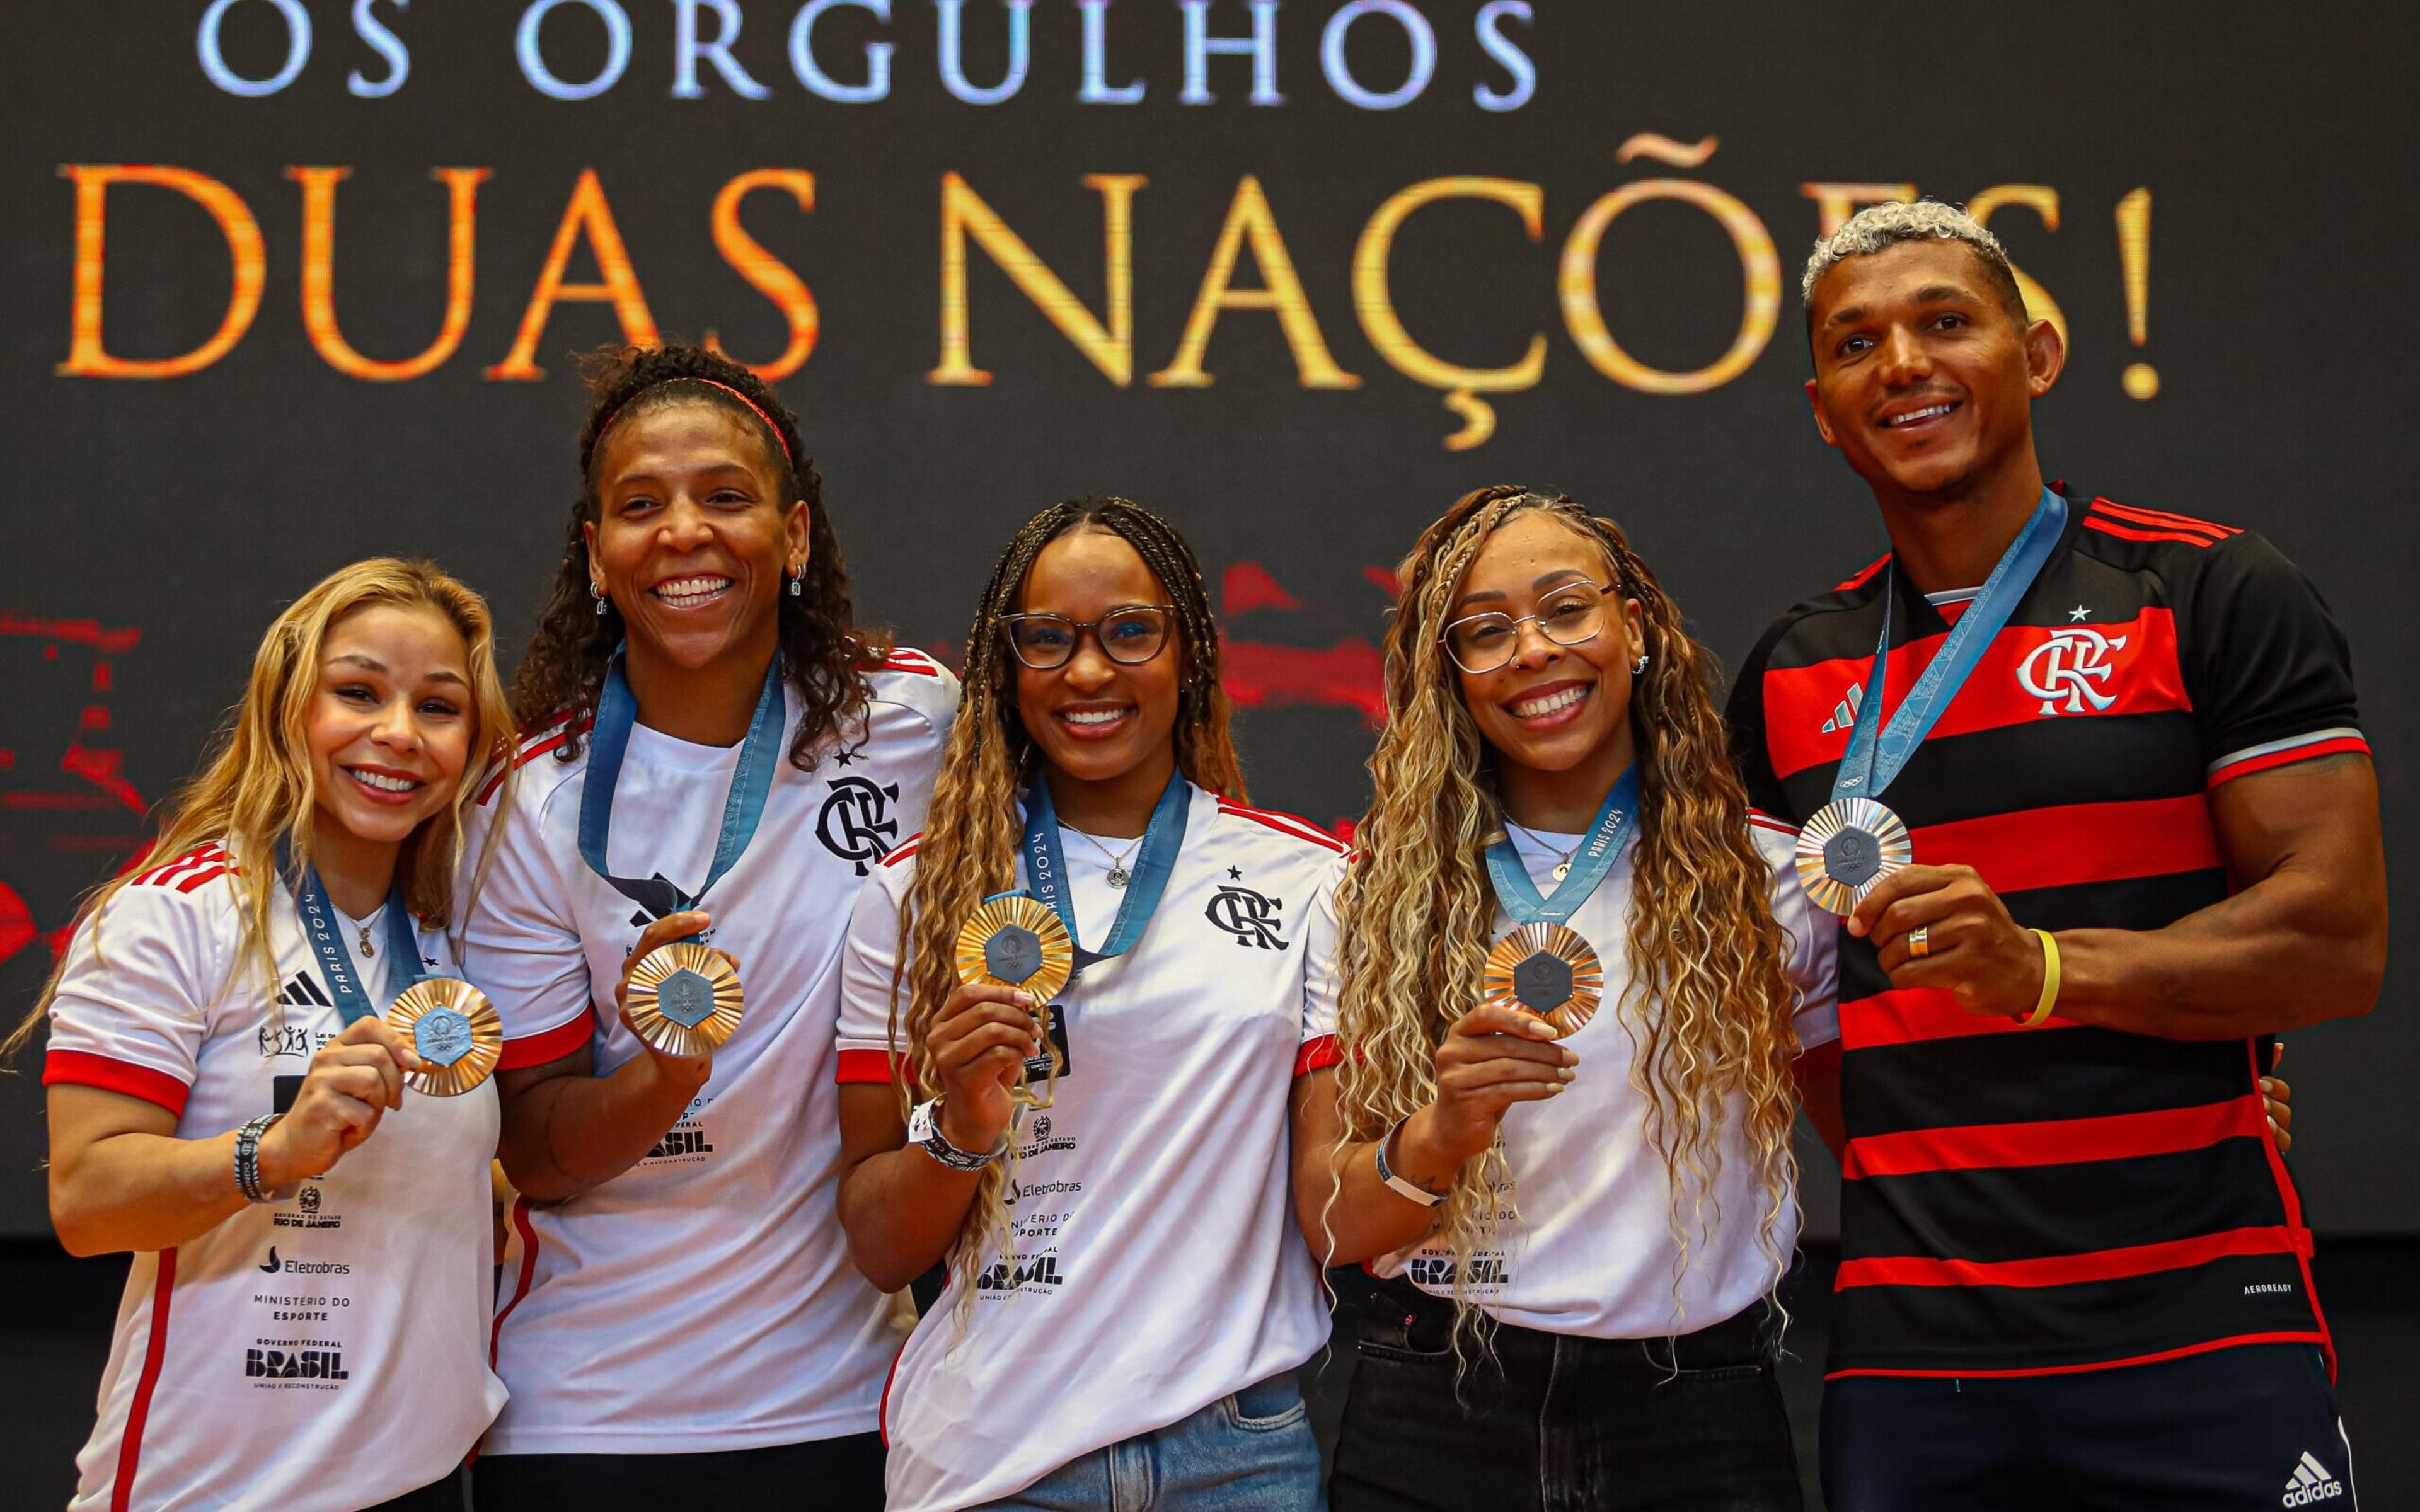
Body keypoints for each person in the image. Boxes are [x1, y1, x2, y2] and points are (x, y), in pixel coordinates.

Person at [1727, 201, 2386, 1510]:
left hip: (2205, 1322)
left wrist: (2040, 972)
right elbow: (1780, 994)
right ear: (1822, 405)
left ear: (2037, 354)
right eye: (1858, 344)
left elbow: (2333, 943)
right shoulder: (1792, 674)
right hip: (1917, 1356)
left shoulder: (2210, 593)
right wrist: (1956, 1160)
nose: (1903, 363)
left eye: (1946, 322)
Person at [462, 343, 958, 1511]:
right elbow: (531, 1151)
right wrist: (669, 1070)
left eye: (724, 497)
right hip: (584, 1412)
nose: (683, 532)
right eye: (641, 507)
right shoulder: (527, 803)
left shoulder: (914, 721)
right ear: (596, 555)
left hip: (856, 1395)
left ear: (792, 538)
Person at [1296, 486, 1835, 1511]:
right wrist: (1440, 1134)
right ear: (1447, 677)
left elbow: (1881, 1143)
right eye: (1486, 632)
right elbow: (1332, 1227)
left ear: (1633, 625)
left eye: (1564, 609)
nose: (1534, 651)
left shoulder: (1769, 882)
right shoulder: (1368, 893)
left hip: (1698, 1410)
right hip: (1437, 1400)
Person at [833, 497, 1338, 1511]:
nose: (1090, 672)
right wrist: (961, 1131)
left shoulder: (1309, 877)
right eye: (1049, 640)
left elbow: (1333, 1199)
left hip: (1238, 1456)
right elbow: (880, 1244)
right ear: (1004, 667)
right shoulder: (915, 895)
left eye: (1131, 632)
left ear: (1188, 654)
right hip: (992, 1452)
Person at [20, 559, 517, 1512]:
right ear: (289, 704)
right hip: (215, 1487)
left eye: (439, 707)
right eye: (359, 693)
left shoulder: (468, 933)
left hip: (417, 1482)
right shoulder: (176, 914)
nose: (398, 735)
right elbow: (87, 1203)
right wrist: (275, 1152)